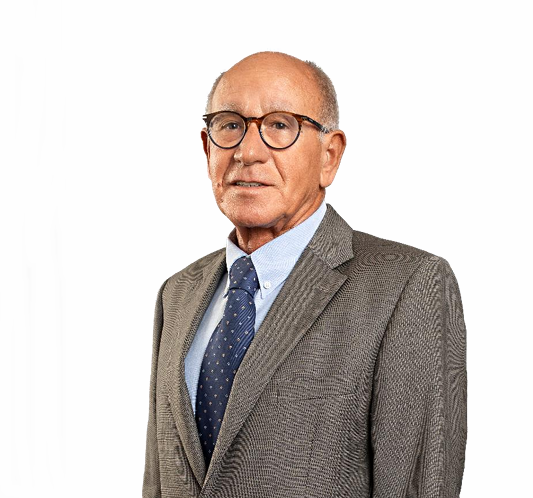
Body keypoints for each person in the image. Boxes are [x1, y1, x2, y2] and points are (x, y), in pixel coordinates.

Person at [142, 51, 467, 498]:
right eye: (229, 125)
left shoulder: (408, 287)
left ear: (329, 156)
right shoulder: (177, 294)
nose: (247, 152)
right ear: (207, 147)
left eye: (280, 125)